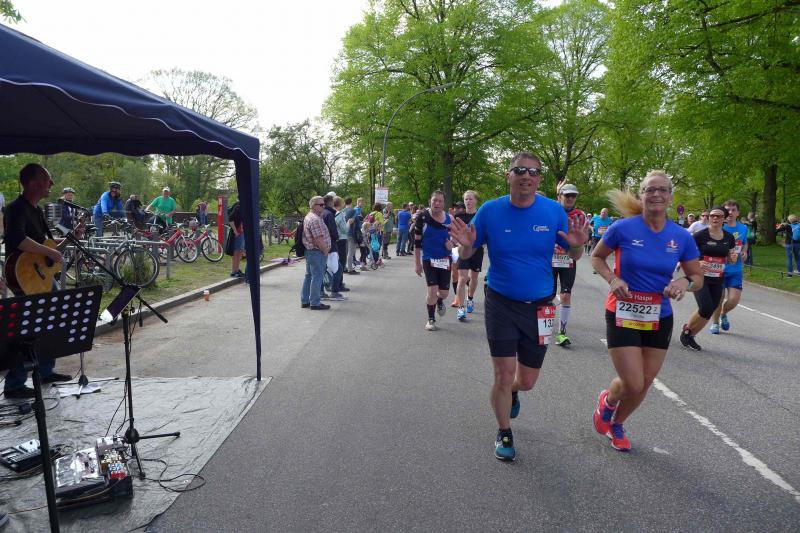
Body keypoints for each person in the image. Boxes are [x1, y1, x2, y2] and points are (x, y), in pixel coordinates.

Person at [448, 152, 588, 461]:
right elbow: (468, 250)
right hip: (501, 301)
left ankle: (513, 391)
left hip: (541, 306)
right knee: (502, 373)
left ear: (539, 179)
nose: (527, 176)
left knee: (527, 381)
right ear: (508, 175)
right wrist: (465, 246)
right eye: (520, 170)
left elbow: (574, 254)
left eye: (533, 172)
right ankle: (504, 431)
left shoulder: (553, 211)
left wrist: (578, 245)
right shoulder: (490, 210)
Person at [590, 170, 702, 452]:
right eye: (650, 189)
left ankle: (617, 423)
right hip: (623, 310)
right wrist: (612, 279)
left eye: (662, 189)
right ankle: (608, 400)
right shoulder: (622, 228)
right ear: (641, 195)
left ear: (670, 197)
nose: (656, 194)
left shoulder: (681, 236)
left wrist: (683, 282)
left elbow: (697, 277)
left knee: (645, 382)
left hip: (659, 315)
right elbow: (597, 257)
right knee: (633, 381)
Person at [2, 163, 74, 398]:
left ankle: (45, 371)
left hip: (40, 276)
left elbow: (46, 245)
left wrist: (70, 239)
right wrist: (49, 252)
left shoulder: (37, 211)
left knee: (50, 322)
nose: (51, 184)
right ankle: (14, 385)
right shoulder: (15, 208)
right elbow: (17, 239)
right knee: (27, 330)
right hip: (23, 276)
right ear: (33, 183)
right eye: (47, 179)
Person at [680, 206, 738, 351]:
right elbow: (685, 254)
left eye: (719, 216)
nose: (714, 218)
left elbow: (731, 258)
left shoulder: (729, 237)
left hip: (718, 278)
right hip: (700, 277)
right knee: (705, 307)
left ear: (724, 219)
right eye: (712, 216)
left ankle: (691, 335)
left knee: (710, 309)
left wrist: (733, 259)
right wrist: (698, 262)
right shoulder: (699, 236)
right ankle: (687, 331)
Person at [551, 183, 586, 346]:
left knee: (566, 296)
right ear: (560, 196)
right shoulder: (551, 211)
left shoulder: (580, 215)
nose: (571, 198)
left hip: (568, 260)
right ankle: (543, 326)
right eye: (567, 195)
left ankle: (562, 333)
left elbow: (581, 240)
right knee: (548, 296)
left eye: (574, 195)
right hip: (550, 260)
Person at [414, 191, 454, 332]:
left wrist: (452, 244)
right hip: (429, 259)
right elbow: (417, 243)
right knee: (432, 290)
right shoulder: (422, 217)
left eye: (440, 201)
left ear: (444, 203)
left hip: (445, 259)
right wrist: (417, 263)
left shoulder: (450, 219)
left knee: (443, 293)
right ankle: (431, 319)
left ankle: (440, 300)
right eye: (434, 200)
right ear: (429, 201)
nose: (437, 203)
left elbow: (456, 236)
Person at [709, 199, 748, 335]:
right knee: (718, 299)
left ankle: (723, 313)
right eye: (727, 210)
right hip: (718, 269)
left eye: (733, 210)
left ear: (738, 213)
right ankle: (715, 323)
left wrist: (744, 251)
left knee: (733, 300)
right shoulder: (718, 227)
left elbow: (744, 242)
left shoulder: (743, 228)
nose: (730, 212)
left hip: (735, 270)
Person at [455, 191, 483, 322]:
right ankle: (461, 308)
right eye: (466, 199)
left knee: (474, 277)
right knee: (462, 278)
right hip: (463, 250)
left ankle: (470, 298)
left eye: (471, 199)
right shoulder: (459, 216)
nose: (468, 201)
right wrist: (456, 243)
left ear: (476, 200)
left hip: (477, 250)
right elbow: (453, 232)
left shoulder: (481, 215)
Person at [300, 196, 331, 310]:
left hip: (311, 251)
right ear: (313, 206)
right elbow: (318, 239)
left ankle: (305, 300)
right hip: (317, 252)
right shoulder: (315, 219)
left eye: (324, 204)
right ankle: (315, 302)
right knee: (317, 277)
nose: (323, 206)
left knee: (309, 276)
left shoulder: (310, 216)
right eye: (321, 205)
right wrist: (325, 251)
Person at [227, 199, 245, 278]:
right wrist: (235, 231)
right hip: (238, 233)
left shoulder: (240, 205)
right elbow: (230, 219)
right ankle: (234, 271)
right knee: (237, 252)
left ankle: (236, 270)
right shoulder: (239, 206)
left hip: (241, 232)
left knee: (239, 252)